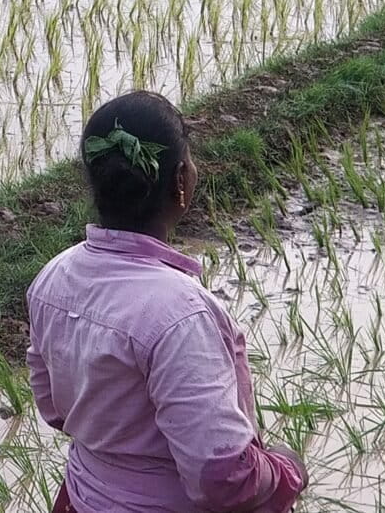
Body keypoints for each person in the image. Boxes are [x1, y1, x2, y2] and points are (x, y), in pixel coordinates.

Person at [27, 91, 309, 513]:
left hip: (85, 498)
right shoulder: (180, 314)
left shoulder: (53, 277)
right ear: (180, 180)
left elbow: (54, 409)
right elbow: (222, 478)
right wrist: (286, 468)